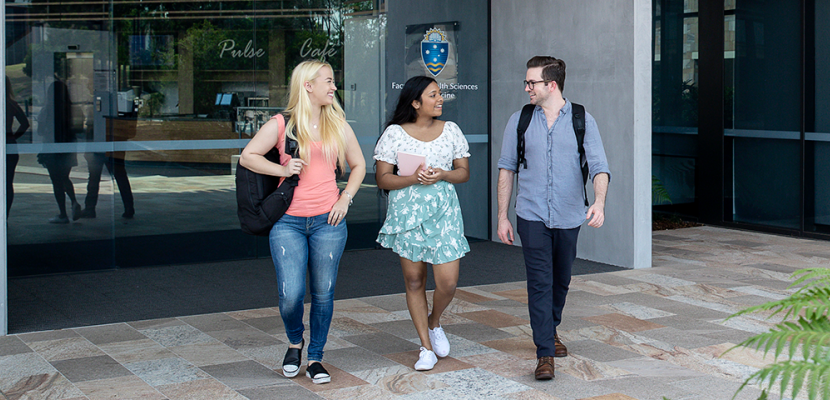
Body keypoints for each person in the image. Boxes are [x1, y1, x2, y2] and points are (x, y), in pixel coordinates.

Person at [240, 60, 366, 384]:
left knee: (323, 293)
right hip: (288, 222)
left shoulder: (337, 123)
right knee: (291, 294)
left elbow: (359, 164)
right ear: (308, 85)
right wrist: (283, 171)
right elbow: (248, 156)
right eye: (328, 81)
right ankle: (295, 341)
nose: (334, 86)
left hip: (329, 222)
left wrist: (345, 197)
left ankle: (315, 357)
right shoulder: (282, 125)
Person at [496, 56, 610, 380]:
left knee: (561, 280)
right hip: (530, 214)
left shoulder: (581, 119)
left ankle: (552, 328)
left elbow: (600, 167)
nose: (527, 87)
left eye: (532, 82)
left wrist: (599, 203)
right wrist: (502, 216)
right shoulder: (519, 120)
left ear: (552, 85)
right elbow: (507, 169)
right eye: (526, 82)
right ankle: (545, 353)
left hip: (570, 214)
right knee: (540, 283)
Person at [374, 76, 470, 371]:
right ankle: (425, 347)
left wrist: (442, 174)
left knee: (448, 282)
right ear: (415, 103)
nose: (440, 99)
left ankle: (434, 321)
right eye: (433, 95)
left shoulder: (451, 130)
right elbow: (383, 179)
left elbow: (463, 172)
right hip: (407, 214)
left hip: (444, 213)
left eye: (440, 94)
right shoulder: (394, 133)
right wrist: (414, 178)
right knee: (414, 280)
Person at [37, 78, 81, 224]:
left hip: (51, 149)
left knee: (56, 181)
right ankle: (74, 201)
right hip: (68, 147)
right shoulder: (72, 109)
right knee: (64, 177)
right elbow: (79, 127)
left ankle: (63, 213)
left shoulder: (47, 110)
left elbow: (40, 131)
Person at [6, 76, 30, 215]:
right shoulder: (12, 104)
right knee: (8, 183)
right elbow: (25, 124)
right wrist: (13, 136)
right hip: (10, 144)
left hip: (8, 143)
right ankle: (6, 216)